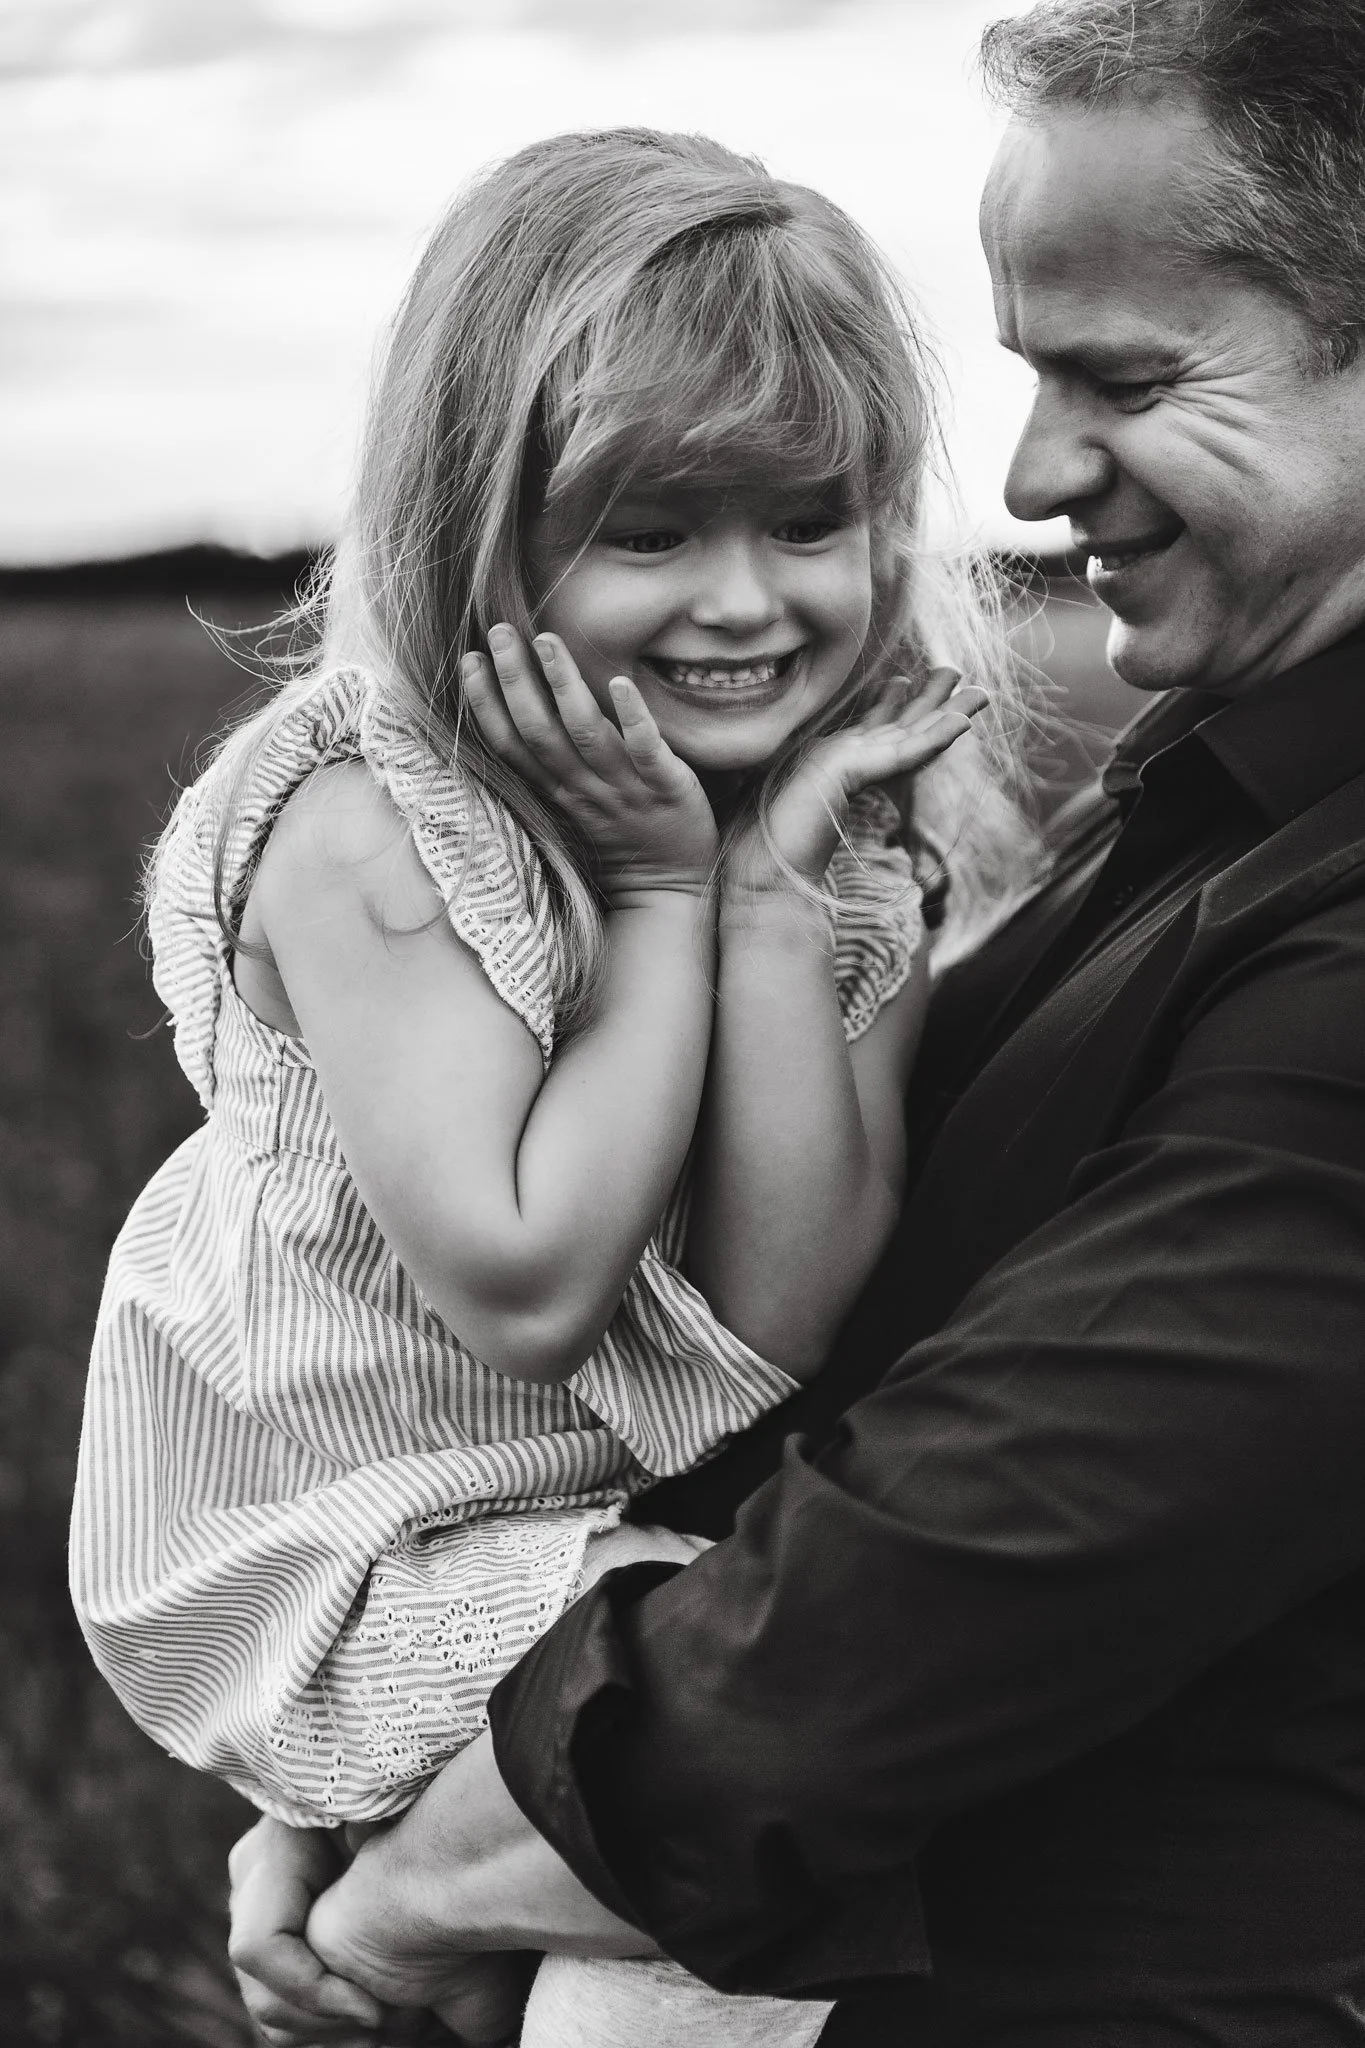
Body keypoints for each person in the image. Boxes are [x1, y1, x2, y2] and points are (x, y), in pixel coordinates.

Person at [225, 1, 1365, 2044]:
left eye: (1124, 376)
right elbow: (807, 1366)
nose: (1021, 481)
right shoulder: (1203, 810)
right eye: (651, 528)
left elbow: (976, 1539)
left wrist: (436, 1869)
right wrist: (394, 1737)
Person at [70, 129, 1039, 2048]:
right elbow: (528, 1287)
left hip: (583, 1524)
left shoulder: (837, 837)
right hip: (334, 1550)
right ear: (474, 528)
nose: (748, 604)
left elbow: (766, 1321)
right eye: (652, 532)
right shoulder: (374, 829)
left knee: (755, 1707)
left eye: (811, 521)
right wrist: (666, 891)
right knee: (748, 1729)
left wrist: (766, 909)